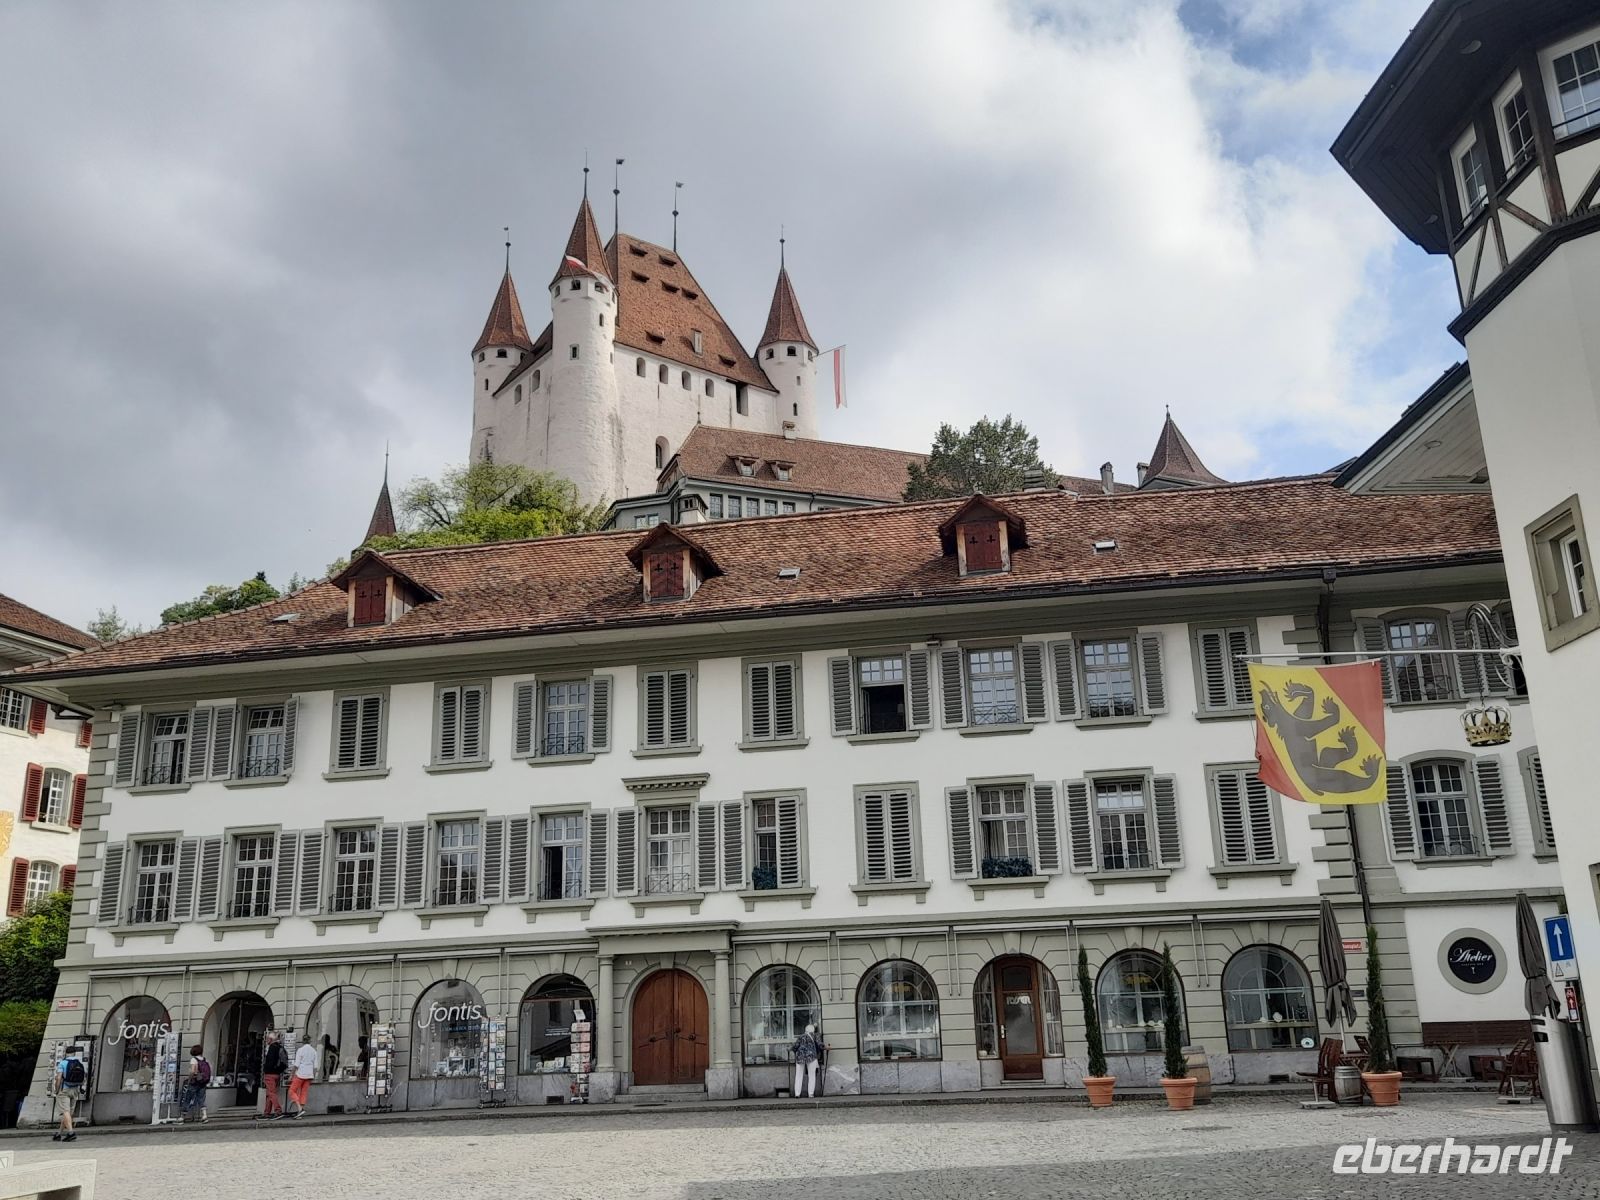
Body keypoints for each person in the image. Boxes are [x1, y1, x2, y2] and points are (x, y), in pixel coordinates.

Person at [52, 1046, 87, 1142]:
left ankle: (71, 1132)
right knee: (69, 1113)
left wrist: (57, 1089)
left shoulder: (63, 1063)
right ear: (74, 1053)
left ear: (65, 1053)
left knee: (65, 1112)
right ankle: (59, 1133)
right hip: (75, 1090)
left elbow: (58, 1078)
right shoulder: (80, 1064)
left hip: (64, 1089)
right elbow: (83, 1079)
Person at [791, 1025, 826, 1099]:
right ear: (813, 1030)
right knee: (812, 1076)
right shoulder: (815, 1036)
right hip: (811, 1057)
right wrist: (824, 1047)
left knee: (798, 1075)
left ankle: (797, 1094)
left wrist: (793, 1050)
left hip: (800, 1057)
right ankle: (810, 1094)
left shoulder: (801, 1036)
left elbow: (795, 1047)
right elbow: (820, 1045)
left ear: (805, 1030)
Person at [258, 1033, 287, 1120]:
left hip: (270, 1074)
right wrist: (278, 1070)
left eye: (267, 1039)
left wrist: (266, 1070)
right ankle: (266, 1112)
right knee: (269, 1094)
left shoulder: (272, 1047)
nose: (266, 1040)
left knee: (271, 1093)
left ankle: (278, 1111)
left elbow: (269, 1061)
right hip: (277, 1074)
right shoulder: (280, 1047)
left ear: (271, 1039)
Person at [289, 1036, 317, 1117]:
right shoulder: (314, 1051)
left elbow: (296, 1065)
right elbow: (315, 1066)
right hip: (309, 1075)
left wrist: (291, 1075)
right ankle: (300, 1111)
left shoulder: (300, 1050)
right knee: (303, 1092)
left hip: (300, 1074)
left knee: (292, 1091)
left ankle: (299, 1108)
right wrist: (313, 1076)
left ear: (303, 1041)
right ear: (310, 1041)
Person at [182, 1044, 210, 1123]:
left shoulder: (194, 1060)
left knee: (188, 1098)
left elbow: (193, 1071)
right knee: (201, 1099)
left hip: (194, 1082)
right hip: (202, 1082)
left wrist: (189, 1077)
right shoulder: (205, 1060)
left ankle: (182, 1116)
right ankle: (204, 1115)